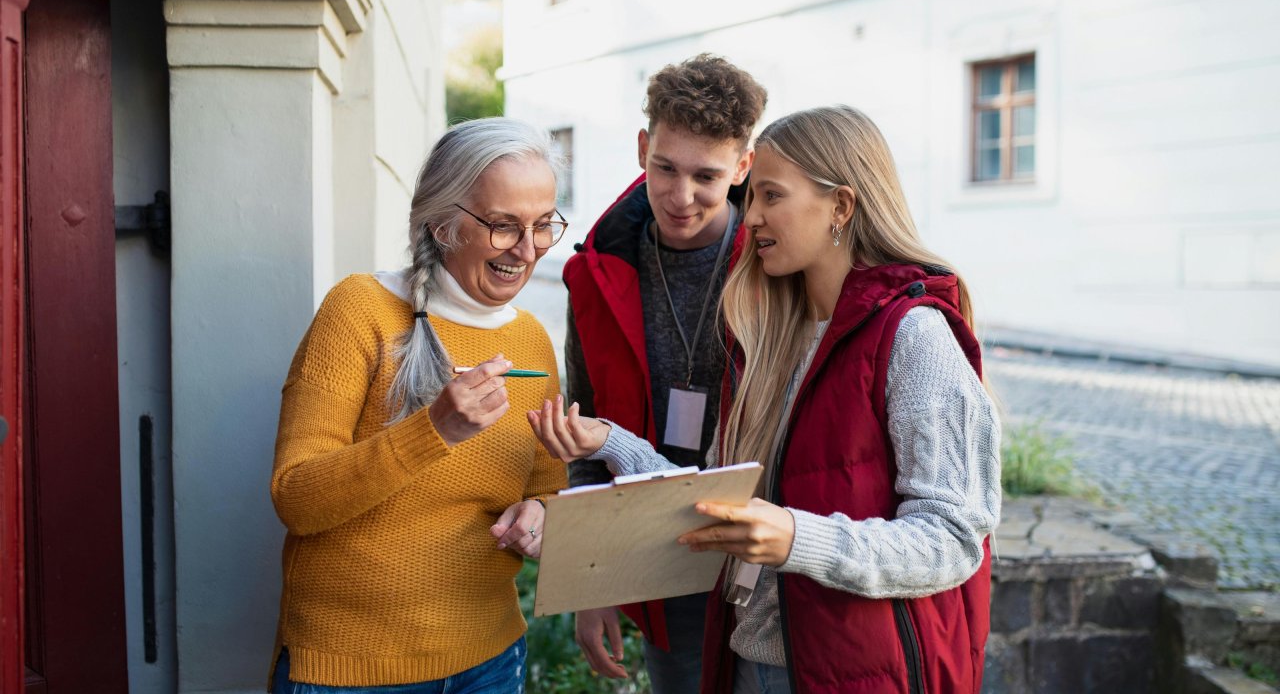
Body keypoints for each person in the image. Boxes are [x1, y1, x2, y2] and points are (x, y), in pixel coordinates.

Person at [531, 105, 1001, 694]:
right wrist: (612, 442)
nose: (747, 215)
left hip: (853, 671)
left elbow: (955, 539)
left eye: (769, 196)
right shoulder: (769, 333)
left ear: (841, 206)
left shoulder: (914, 337)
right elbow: (720, 498)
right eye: (751, 197)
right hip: (749, 659)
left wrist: (794, 539)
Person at [267, 117, 570, 692]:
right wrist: (433, 430)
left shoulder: (531, 339)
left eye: (543, 225)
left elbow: (544, 486)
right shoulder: (360, 310)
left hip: (490, 658)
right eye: (504, 227)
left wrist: (541, 516)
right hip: (351, 668)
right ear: (442, 222)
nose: (528, 251)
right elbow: (296, 496)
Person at [561, 53, 767, 690]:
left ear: (742, 165)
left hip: (770, 555)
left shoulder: (776, 261)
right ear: (643, 147)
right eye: (665, 169)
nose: (682, 197)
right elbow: (585, 429)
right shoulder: (596, 272)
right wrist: (593, 581)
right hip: (660, 553)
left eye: (706, 176)